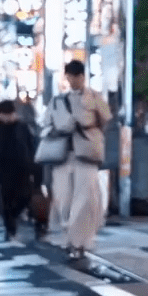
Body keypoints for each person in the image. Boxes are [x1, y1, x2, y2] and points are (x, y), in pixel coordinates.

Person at [46, 60, 110, 261]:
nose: (72, 81)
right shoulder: (57, 101)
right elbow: (46, 124)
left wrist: (87, 129)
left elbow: (105, 120)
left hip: (87, 155)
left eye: (75, 77)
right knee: (64, 199)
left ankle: (79, 242)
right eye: (69, 77)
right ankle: (71, 238)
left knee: (84, 201)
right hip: (63, 154)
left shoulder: (95, 97)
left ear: (82, 76)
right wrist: (60, 128)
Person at [0, 100, 41, 240]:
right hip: (5, 171)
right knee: (7, 202)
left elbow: (30, 149)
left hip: (22, 170)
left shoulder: (22, 128)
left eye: (8, 114)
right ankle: (10, 229)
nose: (5, 117)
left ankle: (22, 221)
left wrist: (34, 169)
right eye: (3, 114)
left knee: (24, 198)